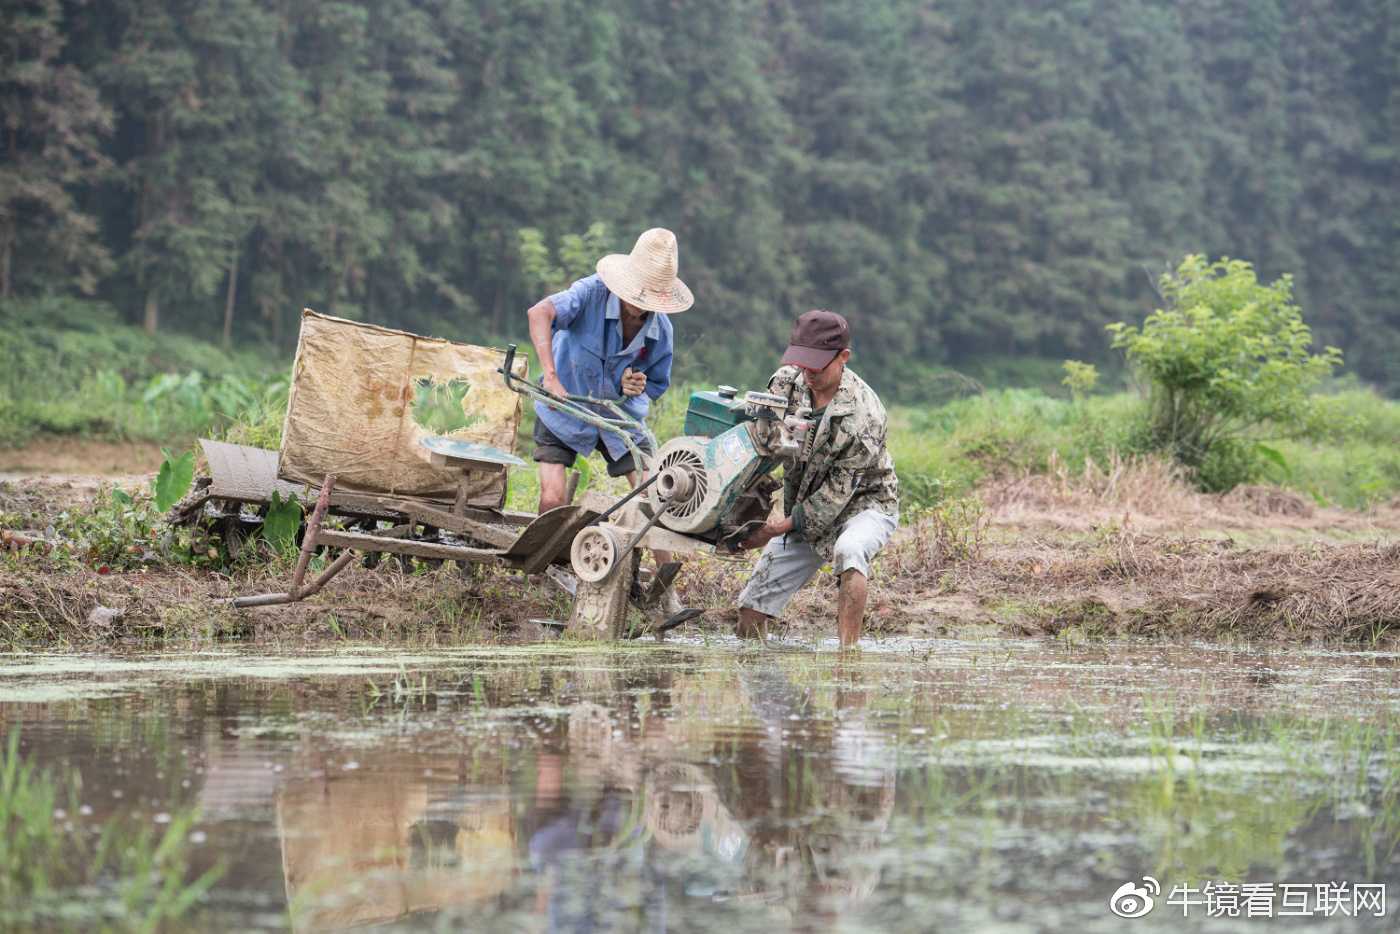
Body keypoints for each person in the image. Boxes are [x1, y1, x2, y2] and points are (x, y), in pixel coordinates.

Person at [735, 310, 899, 647]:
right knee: (750, 614)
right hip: (803, 508)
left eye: (818, 364)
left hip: (863, 504)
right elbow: (760, 444)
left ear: (843, 358)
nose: (807, 372)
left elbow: (835, 497)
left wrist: (770, 532)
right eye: (802, 361)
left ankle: (846, 657)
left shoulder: (864, 414)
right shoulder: (784, 384)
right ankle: (768, 687)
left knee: (849, 550)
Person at [524, 227, 690, 513]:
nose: (639, 302)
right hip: (566, 407)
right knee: (553, 499)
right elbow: (539, 312)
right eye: (636, 291)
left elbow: (651, 382)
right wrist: (550, 377)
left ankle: (666, 560)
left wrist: (634, 380)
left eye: (648, 296)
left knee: (657, 500)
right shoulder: (591, 292)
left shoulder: (661, 330)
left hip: (620, 418)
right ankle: (545, 558)